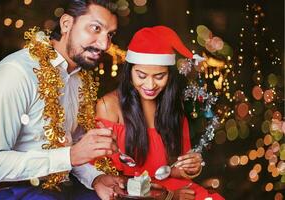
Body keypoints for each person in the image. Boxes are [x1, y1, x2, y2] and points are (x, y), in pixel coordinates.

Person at [0, 0, 124, 199]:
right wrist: (69, 156)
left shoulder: (79, 77)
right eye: (95, 28)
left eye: (109, 34)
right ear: (66, 23)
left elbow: (75, 148)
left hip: (62, 187)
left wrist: (96, 178)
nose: (105, 44)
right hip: (11, 191)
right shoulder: (16, 73)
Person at [95, 26, 224, 200]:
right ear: (130, 72)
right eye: (141, 76)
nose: (150, 85)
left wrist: (191, 168)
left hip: (171, 188)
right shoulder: (108, 106)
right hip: (132, 193)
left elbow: (173, 169)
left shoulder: (172, 107)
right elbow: (104, 175)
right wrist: (168, 196)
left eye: (159, 76)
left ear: (169, 76)